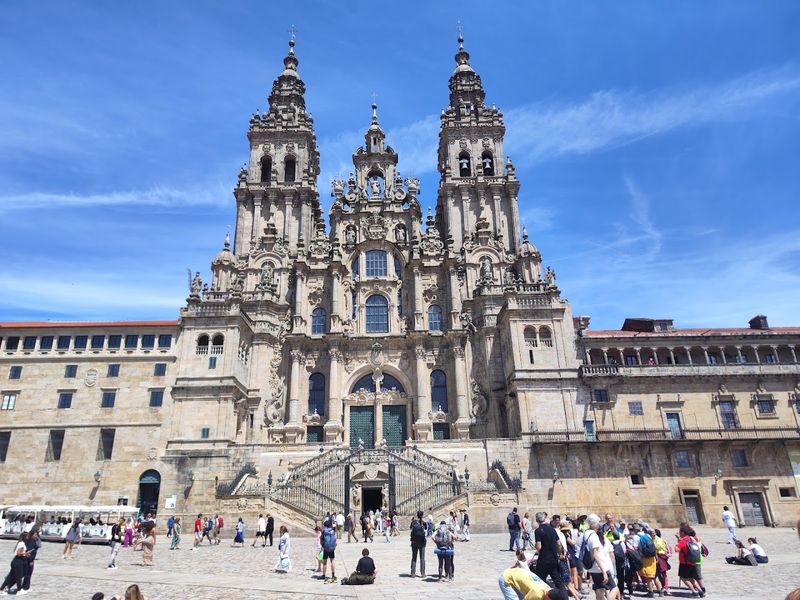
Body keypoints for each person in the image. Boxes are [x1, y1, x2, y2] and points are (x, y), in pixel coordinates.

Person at [499, 553, 570, 600]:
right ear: (548, 598)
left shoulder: (547, 589)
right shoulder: (537, 594)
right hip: (507, 578)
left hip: (517, 576)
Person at [584, 514, 620, 600]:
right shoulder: (594, 536)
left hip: (592, 568)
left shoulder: (585, 533)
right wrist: (604, 571)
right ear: (595, 523)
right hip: (600, 567)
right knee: (614, 588)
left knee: (600, 590)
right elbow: (595, 554)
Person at [534, 511, 565, 592]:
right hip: (554, 559)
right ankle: (565, 597)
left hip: (543, 560)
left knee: (539, 582)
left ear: (537, 520)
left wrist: (536, 547)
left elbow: (539, 547)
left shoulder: (538, 531)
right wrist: (560, 554)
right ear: (544, 519)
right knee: (558, 582)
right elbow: (559, 544)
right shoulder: (552, 529)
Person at [675, 524, 704, 597]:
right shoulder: (692, 538)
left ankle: (694, 591)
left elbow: (676, 549)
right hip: (693, 562)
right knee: (691, 578)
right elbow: (698, 539)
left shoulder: (683, 541)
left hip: (684, 563)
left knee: (683, 578)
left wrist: (677, 543)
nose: (679, 533)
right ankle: (700, 591)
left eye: (680, 532)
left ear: (683, 533)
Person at [21, 527, 39, 593]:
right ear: (31, 535)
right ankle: (24, 587)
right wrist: (31, 560)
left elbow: (36, 548)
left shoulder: (34, 540)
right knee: (27, 574)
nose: (36, 536)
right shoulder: (29, 541)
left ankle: (27, 587)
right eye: (35, 535)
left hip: (32, 559)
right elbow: (29, 551)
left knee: (29, 574)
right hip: (28, 560)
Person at [410, 510, 427, 578]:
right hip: (422, 542)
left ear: (417, 515)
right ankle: (422, 573)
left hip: (414, 542)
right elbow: (425, 530)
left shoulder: (413, 523)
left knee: (414, 557)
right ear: (422, 515)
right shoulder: (424, 523)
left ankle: (413, 573)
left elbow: (411, 529)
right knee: (422, 558)